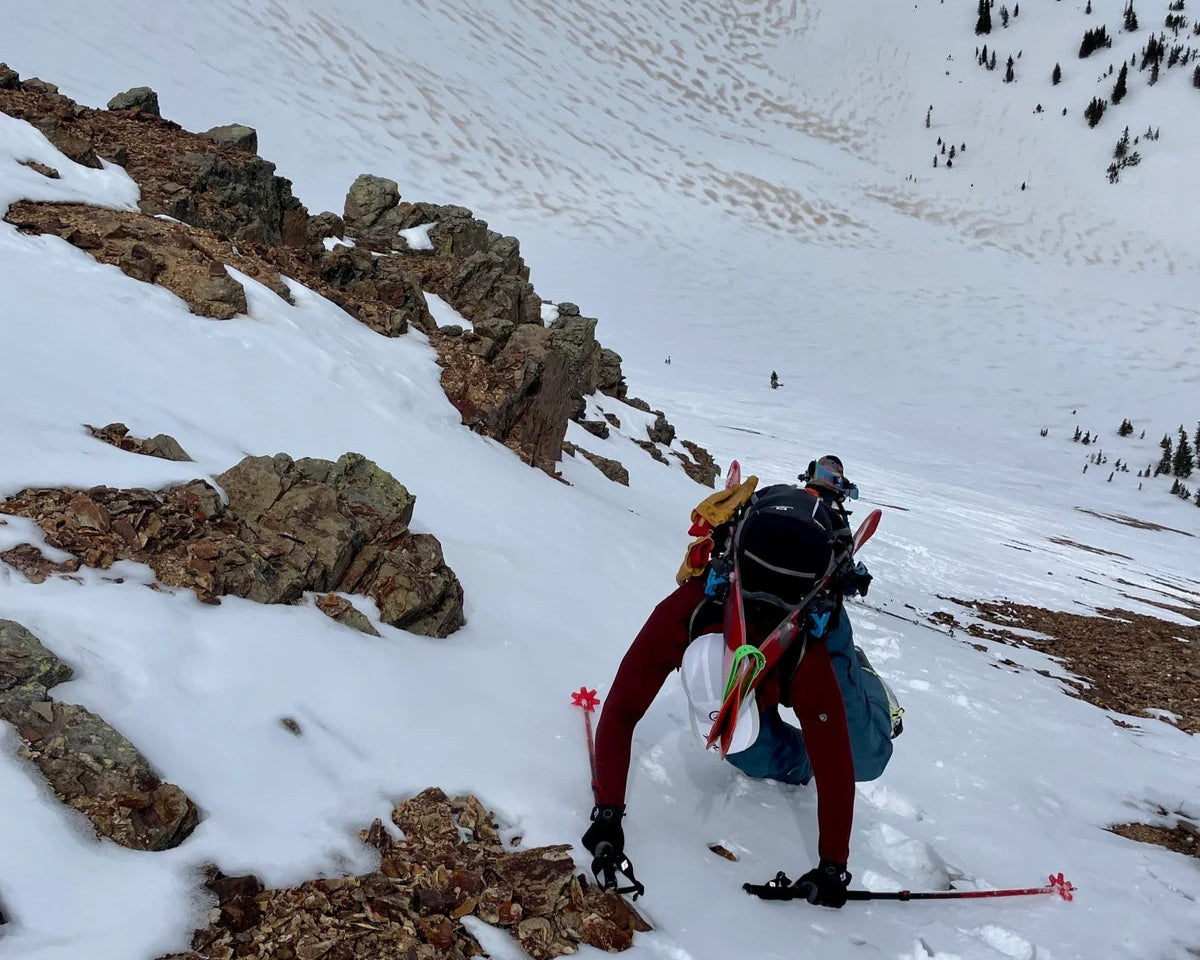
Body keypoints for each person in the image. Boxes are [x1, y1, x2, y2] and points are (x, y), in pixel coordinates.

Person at [582, 455, 900, 907]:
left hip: (812, 630)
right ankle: (780, 743)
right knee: (751, 753)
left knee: (864, 757)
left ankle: (865, 679)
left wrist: (834, 865)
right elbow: (623, 710)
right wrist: (608, 813)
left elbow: (838, 767)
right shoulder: (686, 613)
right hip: (765, 661)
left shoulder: (805, 658)